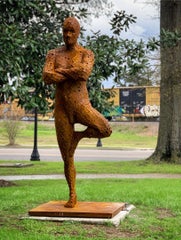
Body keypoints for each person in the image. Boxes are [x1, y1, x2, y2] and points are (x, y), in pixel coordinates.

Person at [42, 17, 112, 208]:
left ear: (78, 32)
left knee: (105, 129)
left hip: (82, 105)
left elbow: (84, 73)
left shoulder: (86, 53)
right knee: (67, 156)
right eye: (65, 31)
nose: (68, 35)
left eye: (72, 31)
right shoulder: (53, 54)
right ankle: (72, 194)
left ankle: (78, 137)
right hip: (62, 109)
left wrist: (61, 72)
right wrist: (69, 72)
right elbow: (47, 76)